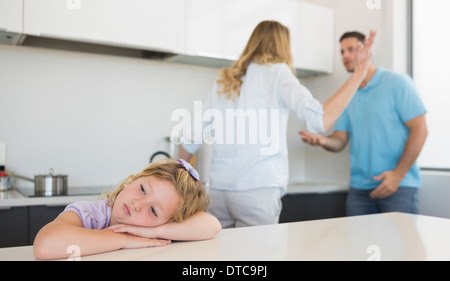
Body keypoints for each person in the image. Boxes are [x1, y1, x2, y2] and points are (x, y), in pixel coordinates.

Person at [178, 21, 376, 228]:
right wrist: (358, 73)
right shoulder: (278, 74)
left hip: (219, 191)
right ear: (283, 45)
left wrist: (178, 185)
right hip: (258, 191)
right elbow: (320, 120)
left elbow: (192, 135)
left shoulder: (226, 79)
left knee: (221, 256)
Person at [300, 31, 428, 216]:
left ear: (367, 51)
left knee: (401, 245)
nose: (345, 56)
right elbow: (340, 139)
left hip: (398, 187)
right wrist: (323, 141)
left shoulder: (397, 83)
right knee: (359, 245)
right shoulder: (348, 94)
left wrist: (398, 175)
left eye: (351, 49)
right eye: (342, 52)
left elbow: (421, 130)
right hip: (359, 190)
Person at [33, 158, 221, 260]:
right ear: (133, 179)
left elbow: (212, 225)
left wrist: (154, 231)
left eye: (154, 211)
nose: (137, 204)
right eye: (142, 189)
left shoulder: (153, 231)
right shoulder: (90, 214)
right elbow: (45, 245)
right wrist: (124, 239)